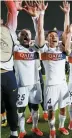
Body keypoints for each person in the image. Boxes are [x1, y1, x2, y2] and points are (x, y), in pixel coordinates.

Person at [33, 0, 72, 137]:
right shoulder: (44, 49)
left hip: (63, 84)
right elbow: (39, 31)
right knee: (51, 110)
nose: (53, 37)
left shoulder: (62, 49)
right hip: (50, 85)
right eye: (50, 36)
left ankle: (61, 126)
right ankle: (52, 130)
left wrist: (67, 14)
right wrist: (42, 13)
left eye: (55, 36)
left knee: (63, 107)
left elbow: (68, 32)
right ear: (47, 39)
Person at [1, 1, 23, 137]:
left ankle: (14, 133)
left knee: (12, 106)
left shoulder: (9, 29)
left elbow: (12, 10)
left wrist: (12, 4)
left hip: (8, 75)